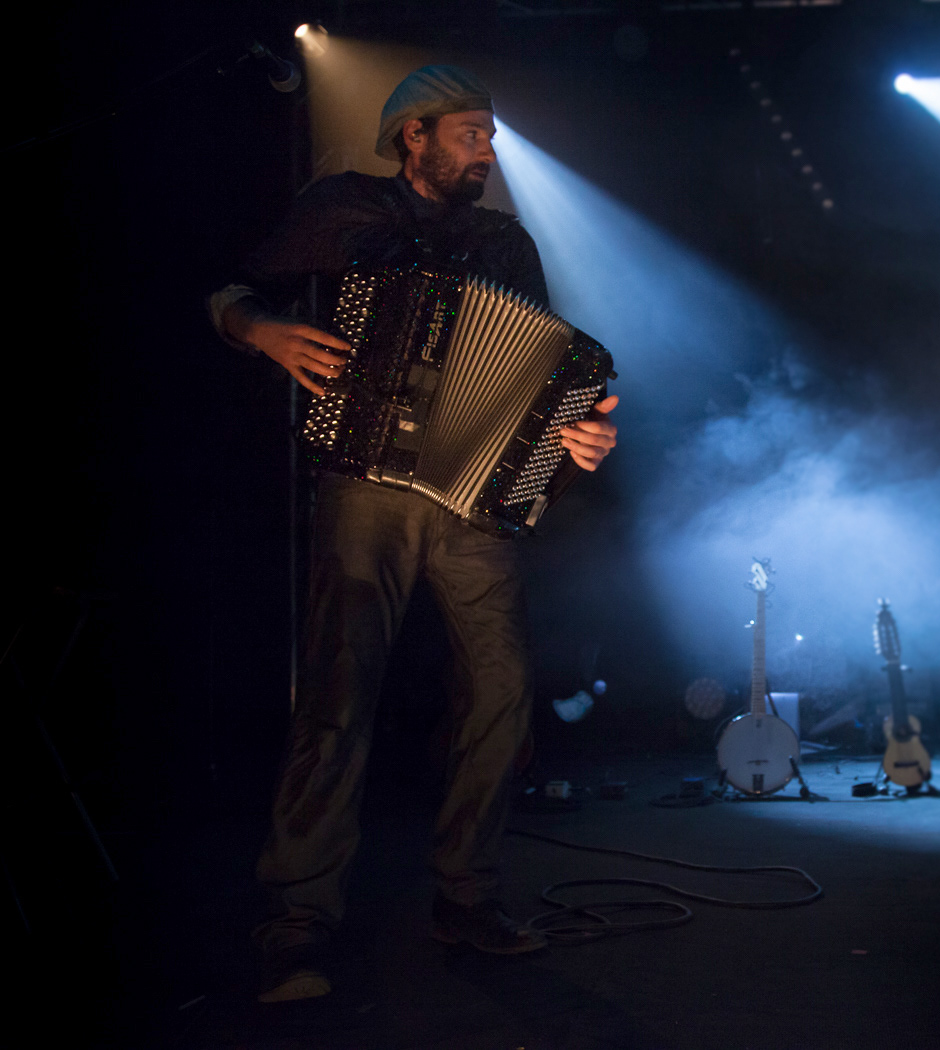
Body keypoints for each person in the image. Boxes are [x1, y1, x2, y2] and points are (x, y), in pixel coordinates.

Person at [210, 66, 619, 1002]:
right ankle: (297, 920)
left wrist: (579, 437)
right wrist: (262, 331)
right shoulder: (345, 210)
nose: (487, 151)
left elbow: (547, 376)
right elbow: (231, 290)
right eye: (470, 133)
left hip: (472, 504)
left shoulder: (503, 242)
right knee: (338, 694)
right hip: (361, 486)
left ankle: (468, 897)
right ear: (414, 136)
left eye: (491, 136)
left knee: (502, 692)